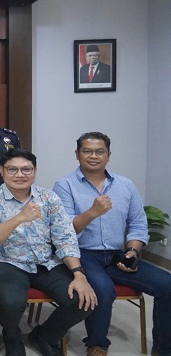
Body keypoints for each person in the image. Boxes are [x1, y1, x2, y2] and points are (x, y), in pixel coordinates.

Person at [53, 132, 171, 356]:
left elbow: (138, 224)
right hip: (83, 254)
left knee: (167, 284)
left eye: (100, 151)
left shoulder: (125, 185)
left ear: (109, 155)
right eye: (87, 151)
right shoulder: (64, 185)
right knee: (103, 289)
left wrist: (132, 251)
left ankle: (164, 349)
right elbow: (64, 230)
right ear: (77, 154)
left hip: (118, 254)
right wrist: (92, 212)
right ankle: (97, 345)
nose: (94, 156)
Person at [0, 148, 97, 356]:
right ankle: (11, 334)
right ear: (1, 171)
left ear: (35, 171)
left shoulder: (49, 198)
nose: (19, 175)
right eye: (12, 170)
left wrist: (78, 274)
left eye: (26, 169)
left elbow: (65, 237)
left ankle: (45, 336)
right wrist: (20, 217)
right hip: (6, 262)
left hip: (45, 262)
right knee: (11, 303)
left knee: (83, 300)